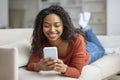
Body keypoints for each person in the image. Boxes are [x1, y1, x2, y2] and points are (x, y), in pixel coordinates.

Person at [27, 5, 104, 78]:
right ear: (41, 27)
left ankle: (86, 28)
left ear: (63, 26)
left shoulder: (77, 39)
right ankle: (84, 27)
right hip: (78, 47)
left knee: (101, 50)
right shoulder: (40, 40)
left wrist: (64, 69)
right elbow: (31, 64)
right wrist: (38, 66)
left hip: (87, 51)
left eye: (57, 25)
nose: (52, 30)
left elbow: (77, 72)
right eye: (46, 26)